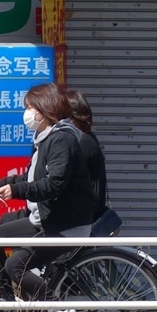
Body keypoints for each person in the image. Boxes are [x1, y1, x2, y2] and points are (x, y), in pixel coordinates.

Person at [0, 82, 96, 312]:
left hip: (65, 224)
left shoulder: (61, 139)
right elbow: (30, 176)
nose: (27, 113)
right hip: (45, 219)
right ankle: (10, 305)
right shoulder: (45, 138)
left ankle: (56, 308)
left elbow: (54, 183)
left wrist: (17, 192)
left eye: (30, 107)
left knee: (16, 265)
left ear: (45, 109)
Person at [65, 89, 108, 222]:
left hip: (81, 219)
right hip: (81, 214)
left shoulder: (83, 143)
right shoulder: (85, 139)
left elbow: (57, 179)